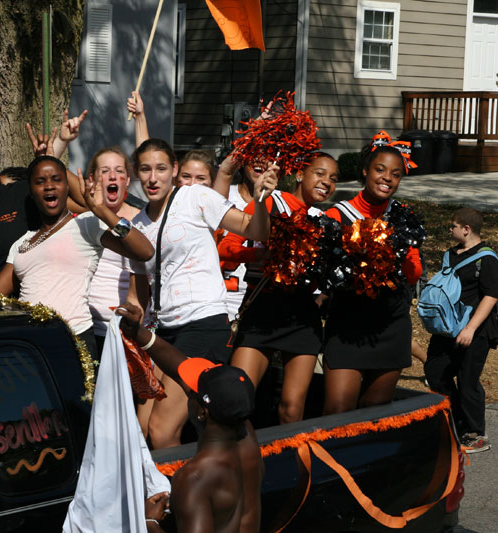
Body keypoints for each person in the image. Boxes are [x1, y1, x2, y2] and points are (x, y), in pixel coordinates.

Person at [125, 138, 278, 450]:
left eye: (161, 168)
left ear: (175, 170)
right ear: (135, 174)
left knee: (162, 430)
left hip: (203, 324)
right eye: (145, 169)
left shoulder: (194, 197)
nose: (153, 177)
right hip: (163, 331)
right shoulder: (136, 224)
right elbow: (137, 295)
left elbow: (256, 231)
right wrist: (128, 321)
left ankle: (183, 497)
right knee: (141, 428)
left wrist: (260, 201)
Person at [0, 156, 154, 356]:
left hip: (74, 337)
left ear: (66, 187)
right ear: (31, 192)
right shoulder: (21, 243)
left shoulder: (86, 223)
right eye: (40, 181)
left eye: (56, 180)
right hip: (29, 342)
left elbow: (145, 251)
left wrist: (102, 210)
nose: (49, 186)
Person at [116, 303, 262, 533]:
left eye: (190, 391)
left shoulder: (194, 479)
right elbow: (180, 367)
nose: (184, 387)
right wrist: (139, 333)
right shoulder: (246, 435)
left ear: (203, 411)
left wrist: (149, 523)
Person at [219, 152, 339, 424]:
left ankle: (289, 465)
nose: (326, 182)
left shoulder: (327, 219)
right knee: (237, 400)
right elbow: (226, 249)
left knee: (292, 410)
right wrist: (263, 256)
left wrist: (325, 289)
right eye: (319, 173)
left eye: (333, 178)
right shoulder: (272, 201)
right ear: (300, 174)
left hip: (302, 318)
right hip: (263, 310)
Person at [322, 139, 423, 414]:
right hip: (347, 326)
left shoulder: (404, 218)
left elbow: (414, 273)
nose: (387, 179)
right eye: (380, 170)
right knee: (337, 411)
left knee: (374, 411)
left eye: (395, 174)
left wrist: (395, 257)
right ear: (365, 170)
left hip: (390, 326)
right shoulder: (336, 215)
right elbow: (325, 273)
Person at [424, 208, 498, 453]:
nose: (450, 229)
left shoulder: (486, 258)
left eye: (453, 226)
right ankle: (454, 423)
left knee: (468, 381)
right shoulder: (450, 254)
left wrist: (470, 328)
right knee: (435, 371)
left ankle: (475, 433)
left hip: (474, 330)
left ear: (466, 229)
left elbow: (491, 296)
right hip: (447, 327)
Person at [86, 147, 143, 353]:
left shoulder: (143, 220)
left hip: (129, 329)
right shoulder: (84, 219)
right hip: (88, 327)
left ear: (127, 180)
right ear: (92, 179)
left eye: (119, 171)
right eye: (105, 171)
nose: (112, 176)